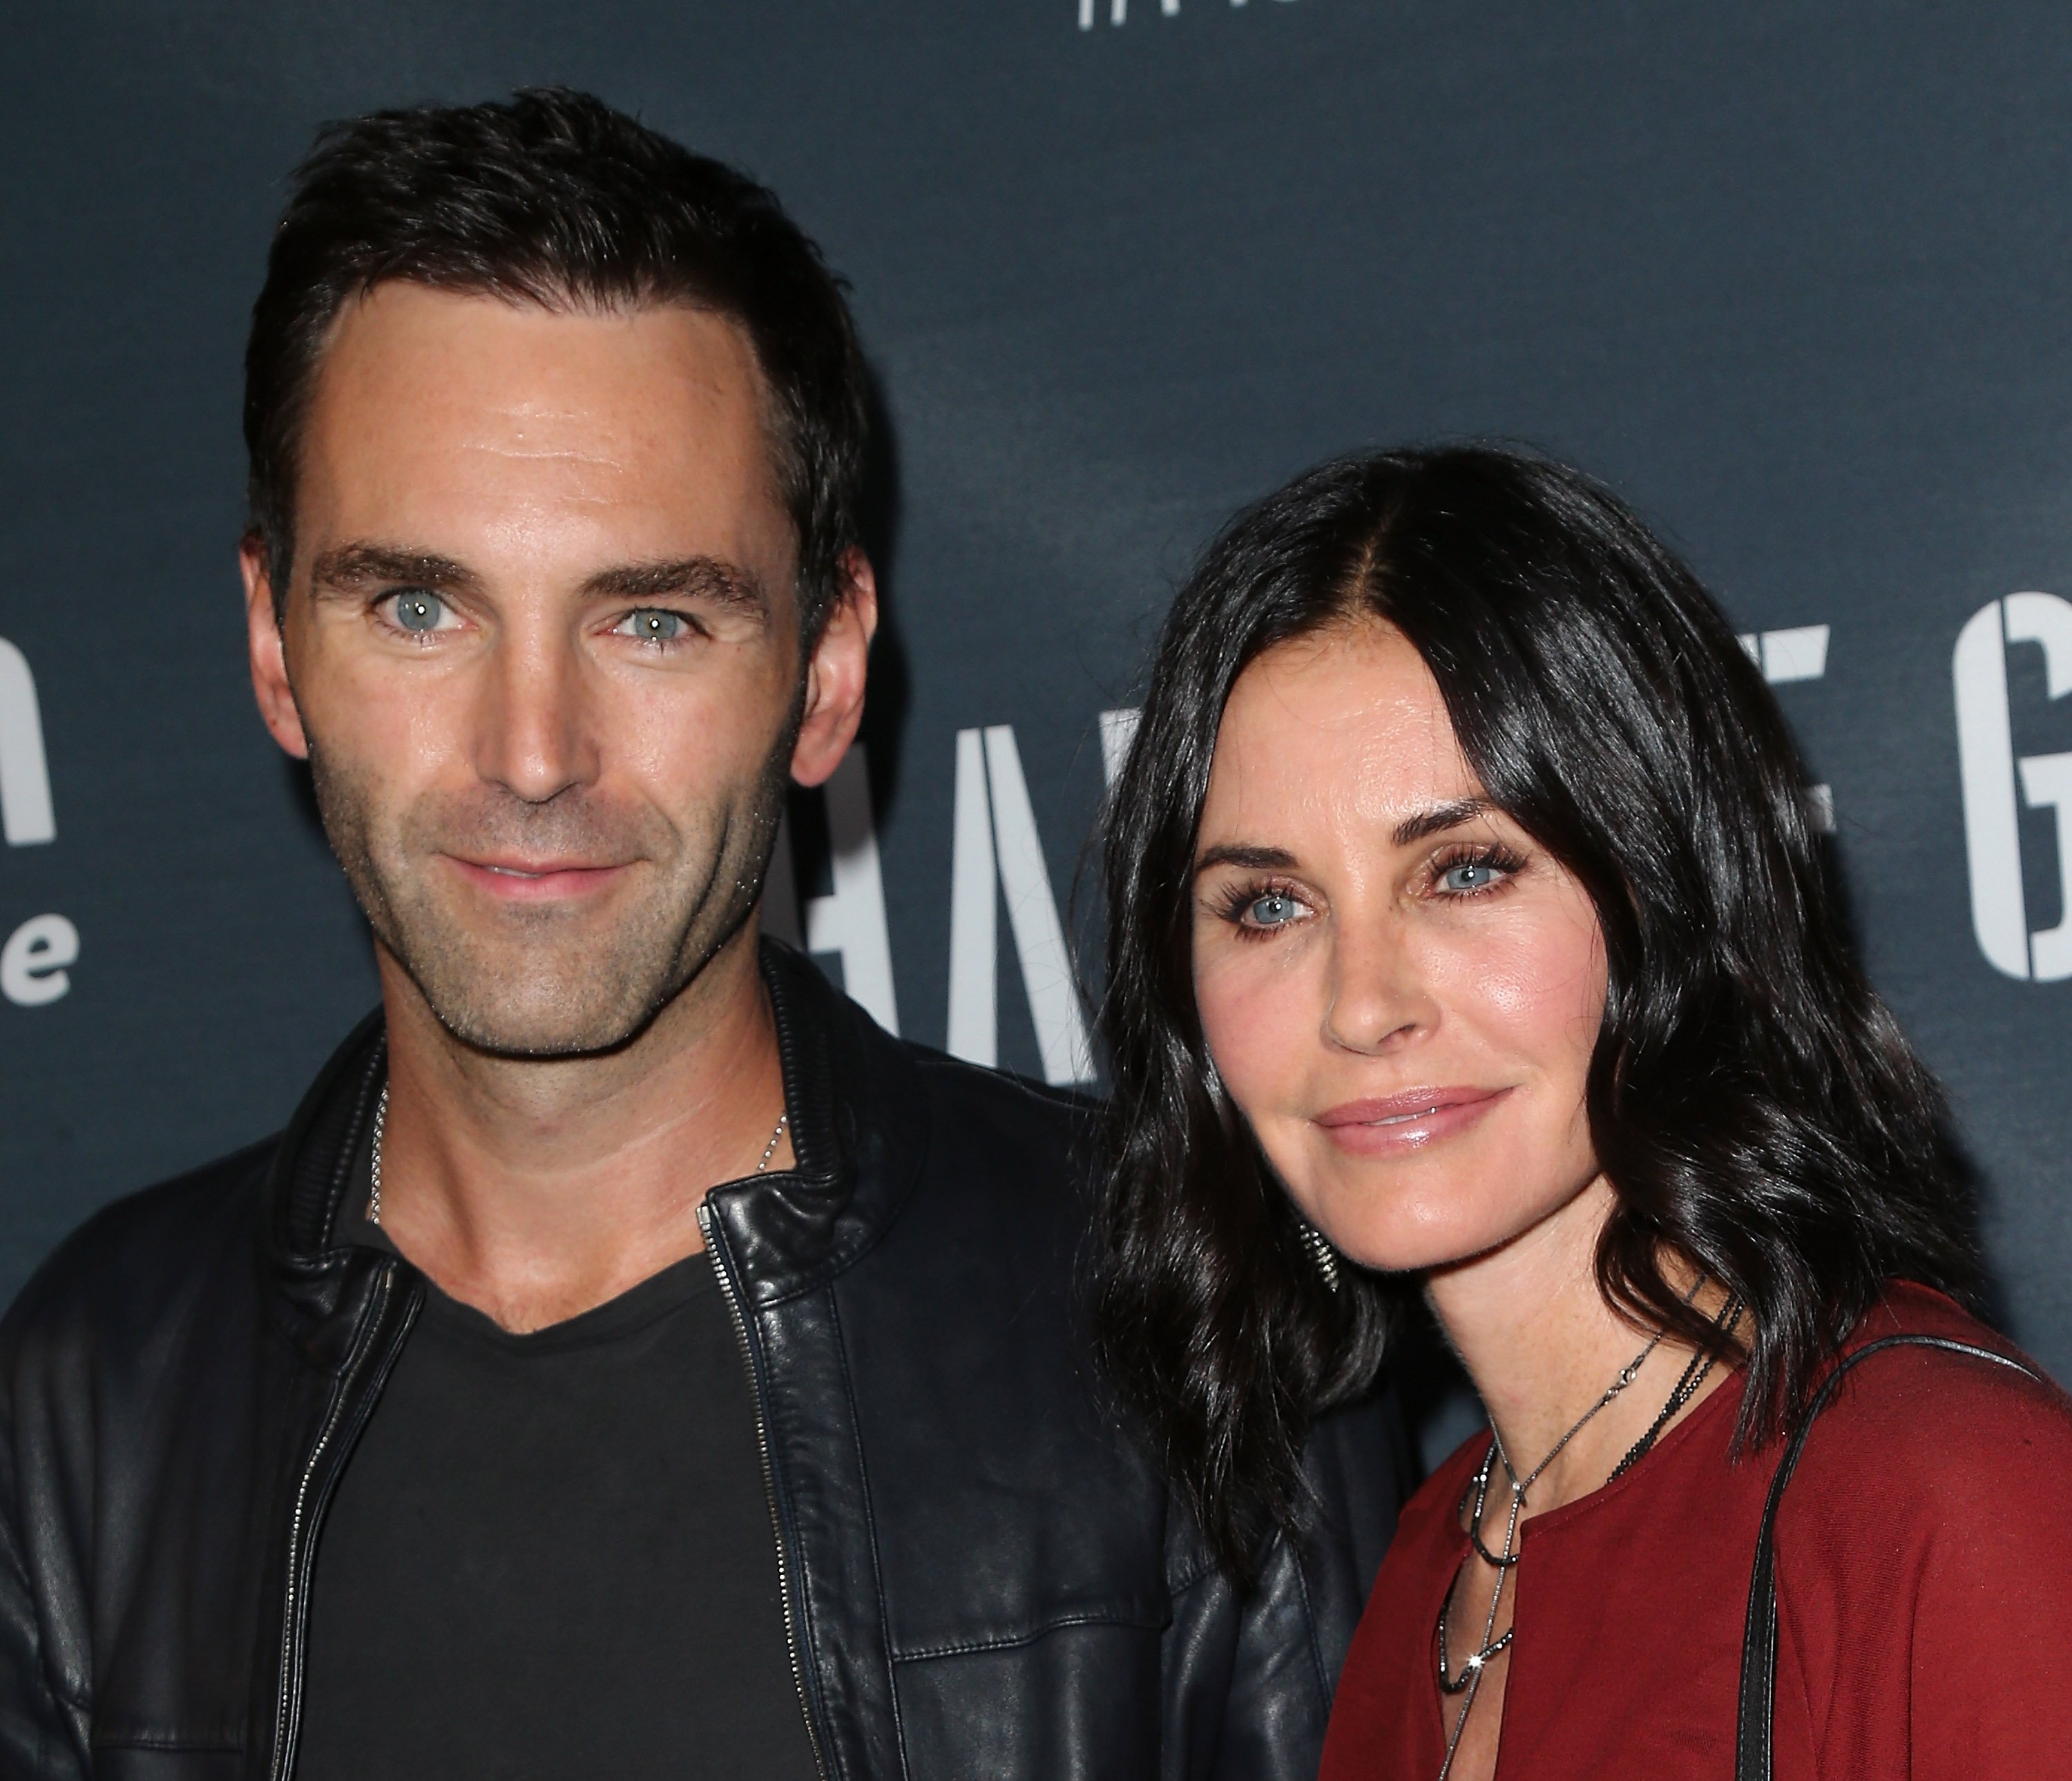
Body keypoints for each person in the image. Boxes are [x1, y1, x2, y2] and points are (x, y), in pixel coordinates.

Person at [0, 91, 1406, 1780]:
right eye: (420, 606)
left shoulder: (1180, 1322)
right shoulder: (91, 1399)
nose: (534, 749)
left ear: (822, 670)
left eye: (652, 618)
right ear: (276, 645)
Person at [1093, 444, 2072, 1780]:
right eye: (1270, 903)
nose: (1361, 1003)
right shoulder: (1436, 1566)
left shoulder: (1945, 1504)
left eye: (1466, 870)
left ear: (1662, 896)